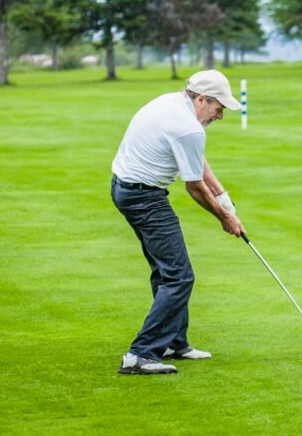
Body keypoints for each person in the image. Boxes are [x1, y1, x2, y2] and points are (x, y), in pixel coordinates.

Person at [110, 69, 246, 375]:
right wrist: (225, 218)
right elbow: (194, 186)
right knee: (179, 277)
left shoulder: (172, 103)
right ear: (201, 99)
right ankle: (140, 355)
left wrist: (224, 197)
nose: (220, 116)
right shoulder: (188, 128)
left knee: (166, 271)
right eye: (218, 108)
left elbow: (195, 159)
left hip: (126, 189)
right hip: (144, 198)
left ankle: (173, 341)